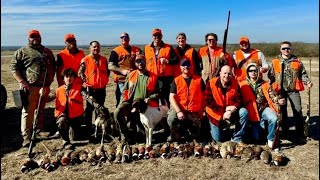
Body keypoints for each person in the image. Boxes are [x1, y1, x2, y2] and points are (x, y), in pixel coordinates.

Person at [10, 29, 56, 147]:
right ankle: (26, 136)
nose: (35, 39)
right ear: (29, 38)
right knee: (28, 111)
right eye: (32, 37)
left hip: (45, 86)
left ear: (40, 38)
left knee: (40, 109)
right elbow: (14, 68)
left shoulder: (47, 51)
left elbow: (53, 67)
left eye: (37, 36)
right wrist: (22, 81)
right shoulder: (22, 51)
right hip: (30, 87)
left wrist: (49, 81)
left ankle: (39, 130)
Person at [268, 41, 313, 143]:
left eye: (288, 48)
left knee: (298, 110)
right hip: (280, 91)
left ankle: (300, 133)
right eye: (283, 48)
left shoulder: (297, 61)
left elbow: (303, 74)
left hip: (293, 90)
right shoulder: (275, 61)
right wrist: (272, 90)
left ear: (291, 49)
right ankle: (285, 133)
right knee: (282, 113)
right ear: (280, 50)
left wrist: (308, 82)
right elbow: (271, 77)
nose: (286, 50)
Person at [114, 54, 159, 144]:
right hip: (131, 102)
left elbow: (157, 93)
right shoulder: (131, 74)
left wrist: (150, 98)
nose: (140, 63)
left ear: (145, 62)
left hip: (145, 105)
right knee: (117, 112)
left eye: (142, 61)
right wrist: (125, 100)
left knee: (142, 133)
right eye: (138, 61)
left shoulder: (153, 76)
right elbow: (125, 90)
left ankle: (139, 133)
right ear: (135, 63)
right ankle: (124, 134)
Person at [239, 63, 286, 148]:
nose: (253, 72)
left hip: (263, 109)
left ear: (258, 72)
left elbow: (272, 95)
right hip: (251, 113)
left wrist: (278, 100)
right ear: (247, 72)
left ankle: (270, 138)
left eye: (255, 70)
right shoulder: (242, 84)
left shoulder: (265, 83)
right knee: (256, 138)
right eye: (250, 71)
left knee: (273, 118)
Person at [204, 65, 248, 143]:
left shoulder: (235, 84)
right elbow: (208, 101)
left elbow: (239, 100)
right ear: (220, 73)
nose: (226, 76)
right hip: (215, 114)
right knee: (218, 140)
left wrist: (233, 108)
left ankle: (237, 138)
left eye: (229, 74)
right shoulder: (211, 83)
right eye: (224, 73)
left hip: (230, 113)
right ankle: (215, 131)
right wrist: (224, 111)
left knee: (243, 112)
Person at [42, 68, 84, 149]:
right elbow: (47, 99)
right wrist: (43, 95)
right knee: (61, 121)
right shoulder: (58, 90)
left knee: (75, 137)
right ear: (63, 78)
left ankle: (72, 131)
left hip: (76, 116)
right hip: (62, 115)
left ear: (74, 78)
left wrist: (96, 105)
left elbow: (88, 96)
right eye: (67, 76)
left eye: (71, 76)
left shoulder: (80, 88)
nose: (69, 78)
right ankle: (65, 141)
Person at [167, 59, 205, 142]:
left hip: (194, 110)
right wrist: (178, 111)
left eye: (188, 64)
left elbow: (204, 97)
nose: (186, 67)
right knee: (171, 118)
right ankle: (176, 133)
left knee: (197, 136)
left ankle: (189, 131)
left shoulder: (199, 80)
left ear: (191, 66)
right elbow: (171, 97)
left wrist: (201, 112)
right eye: (183, 65)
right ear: (180, 68)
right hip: (181, 109)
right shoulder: (176, 80)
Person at [78, 41, 109, 140]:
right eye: (94, 47)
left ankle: (98, 129)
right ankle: (88, 130)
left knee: (100, 109)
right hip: (90, 89)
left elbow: (107, 72)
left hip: (101, 89)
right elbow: (80, 73)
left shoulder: (103, 60)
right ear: (90, 48)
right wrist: (86, 81)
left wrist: (103, 80)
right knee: (89, 110)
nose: (96, 49)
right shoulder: (85, 59)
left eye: (98, 47)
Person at [144, 28, 179, 107]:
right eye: (155, 35)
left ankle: (167, 115)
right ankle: (156, 115)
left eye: (158, 35)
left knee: (166, 97)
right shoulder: (146, 48)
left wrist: (167, 61)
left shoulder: (168, 47)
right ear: (152, 37)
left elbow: (176, 59)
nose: (157, 37)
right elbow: (143, 60)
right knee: (153, 97)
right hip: (151, 77)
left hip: (165, 78)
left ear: (161, 36)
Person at [108, 32, 142, 107]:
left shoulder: (136, 49)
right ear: (120, 39)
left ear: (129, 39)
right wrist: (122, 71)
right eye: (122, 37)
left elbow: (143, 61)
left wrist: (139, 56)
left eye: (126, 37)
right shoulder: (116, 51)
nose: (124, 39)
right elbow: (110, 66)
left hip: (135, 80)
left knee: (134, 101)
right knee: (122, 102)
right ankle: (119, 117)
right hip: (122, 81)